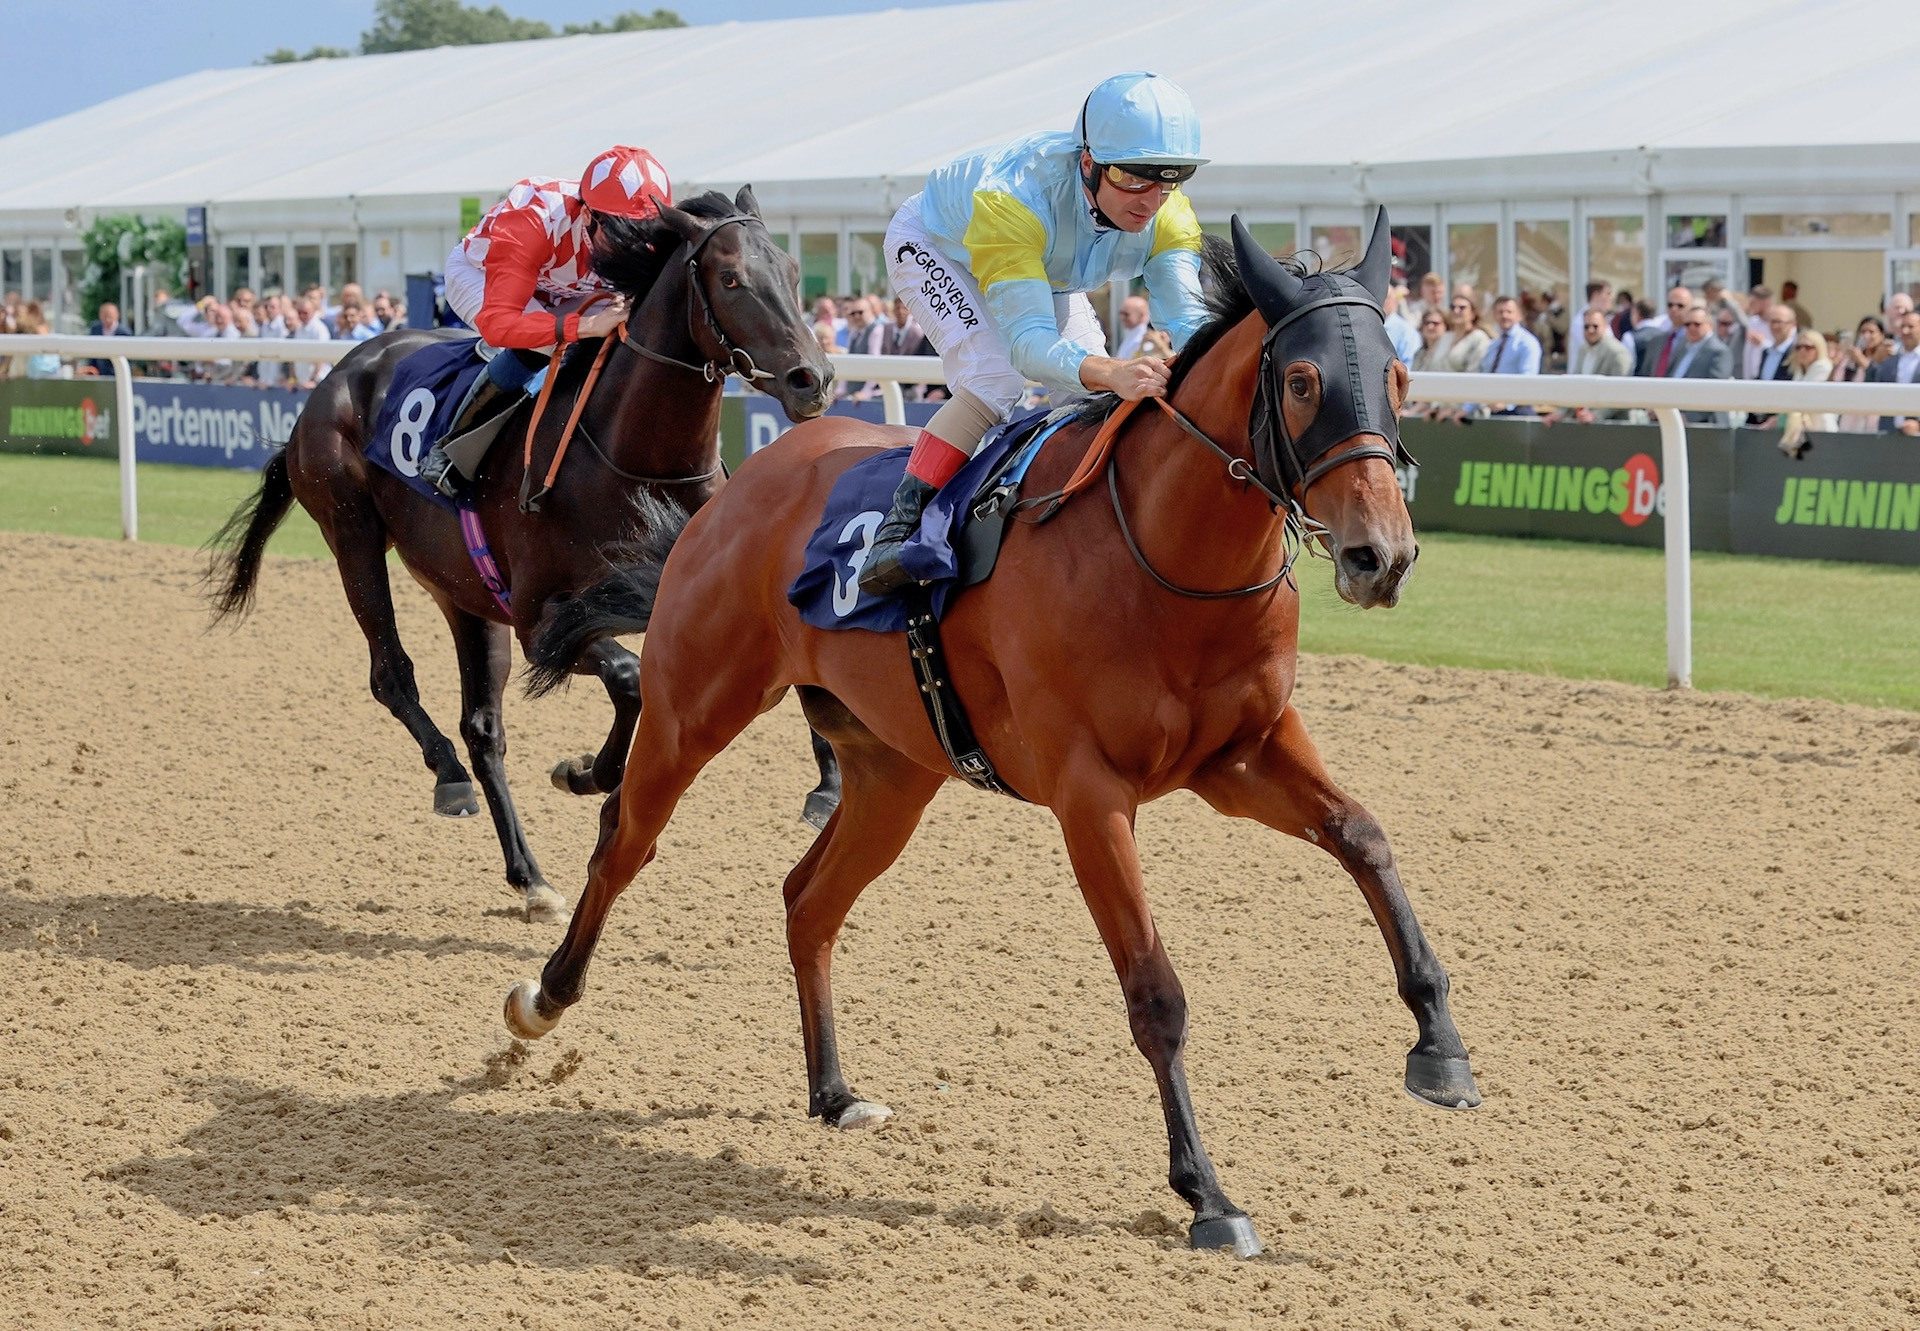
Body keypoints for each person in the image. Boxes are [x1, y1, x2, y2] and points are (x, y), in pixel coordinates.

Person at [857, 72, 1209, 595]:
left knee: (1088, 398)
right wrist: (1114, 370)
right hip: (940, 244)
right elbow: (1028, 346)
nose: (1149, 200)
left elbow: (1191, 325)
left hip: (1041, 264)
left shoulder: (1170, 215)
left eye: (1169, 180)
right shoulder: (1016, 198)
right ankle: (898, 530)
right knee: (994, 376)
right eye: (1132, 178)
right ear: (1088, 163)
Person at [417, 144, 672, 497]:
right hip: (481, 276)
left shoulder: (642, 234)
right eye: (622, 234)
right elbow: (499, 324)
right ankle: (452, 449)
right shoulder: (533, 219)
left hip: (565, 287)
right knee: (546, 342)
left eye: (643, 233)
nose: (634, 247)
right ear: (588, 215)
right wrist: (585, 326)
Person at [1662, 304, 1732, 426]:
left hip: (1706, 425)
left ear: (1709, 325)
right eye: (1687, 324)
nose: (1691, 328)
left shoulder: (1719, 351)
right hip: (1675, 420)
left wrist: (1689, 417)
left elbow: (1716, 390)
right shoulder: (1682, 348)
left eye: (1697, 324)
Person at [1567, 309, 1632, 422]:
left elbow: (1620, 393)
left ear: (1605, 326)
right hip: (1582, 420)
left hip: (1612, 424)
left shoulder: (1618, 352)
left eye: (1595, 326)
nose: (1590, 330)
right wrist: (1560, 413)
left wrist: (1595, 416)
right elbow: (1576, 386)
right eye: (1586, 327)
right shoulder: (1583, 350)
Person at [1867, 308, 1920, 435]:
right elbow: (1869, 388)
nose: (1905, 331)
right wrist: (1875, 361)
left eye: (1910, 327)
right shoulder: (1890, 359)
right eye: (1902, 327)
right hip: (1888, 433)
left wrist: (1918, 425)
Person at [1833, 316, 1889, 433]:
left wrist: (1861, 360)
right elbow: (1837, 381)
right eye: (1863, 332)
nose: (1866, 336)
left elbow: (1879, 379)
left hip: (1874, 414)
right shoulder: (1851, 359)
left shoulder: (1887, 358)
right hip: (1850, 413)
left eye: (1871, 332)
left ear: (1881, 335)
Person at [1748, 304, 1798, 426]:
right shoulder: (1766, 352)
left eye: (1779, 322)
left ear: (1792, 324)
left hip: (1781, 420)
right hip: (1760, 419)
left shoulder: (1797, 353)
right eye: (1772, 322)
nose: (1775, 326)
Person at [79, 300, 133, 376]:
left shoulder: (125, 332)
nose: (107, 318)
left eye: (109, 315)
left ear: (117, 315)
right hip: (98, 372)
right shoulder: (95, 329)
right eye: (104, 315)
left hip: (118, 372)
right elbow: (92, 353)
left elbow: (129, 357)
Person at [1441, 294, 1490, 373]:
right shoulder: (1445, 337)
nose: (1456, 311)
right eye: (1452, 307)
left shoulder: (1478, 337)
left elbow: (1474, 370)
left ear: (1472, 314)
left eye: (1462, 308)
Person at [1113, 294, 1150, 358]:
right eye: (1121, 313)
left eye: (1126, 314)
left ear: (1141, 315)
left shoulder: (1143, 340)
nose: (1122, 317)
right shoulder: (1131, 333)